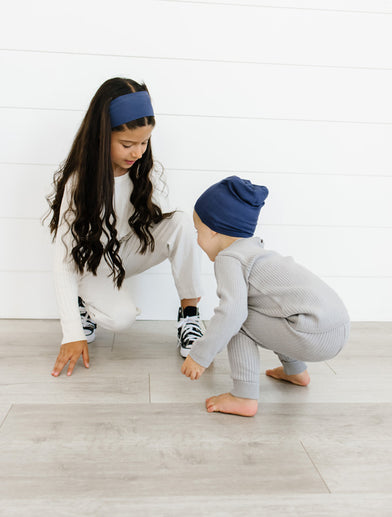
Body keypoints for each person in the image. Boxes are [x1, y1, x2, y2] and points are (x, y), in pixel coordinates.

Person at [48, 77, 203, 377]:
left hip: (125, 251)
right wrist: (71, 332)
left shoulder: (141, 170)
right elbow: (62, 262)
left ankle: (190, 315)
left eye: (144, 143)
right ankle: (85, 304)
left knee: (181, 223)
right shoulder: (78, 184)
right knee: (121, 319)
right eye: (127, 144)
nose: (137, 153)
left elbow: (148, 224)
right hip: (93, 263)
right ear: (101, 137)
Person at [181, 176, 350, 417]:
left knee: (237, 322)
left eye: (198, 231)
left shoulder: (229, 258)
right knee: (272, 310)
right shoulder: (256, 252)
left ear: (214, 230)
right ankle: (295, 371)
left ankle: (243, 396)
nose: (197, 239)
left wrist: (200, 355)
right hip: (336, 326)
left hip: (314, 334)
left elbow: (232, 315)